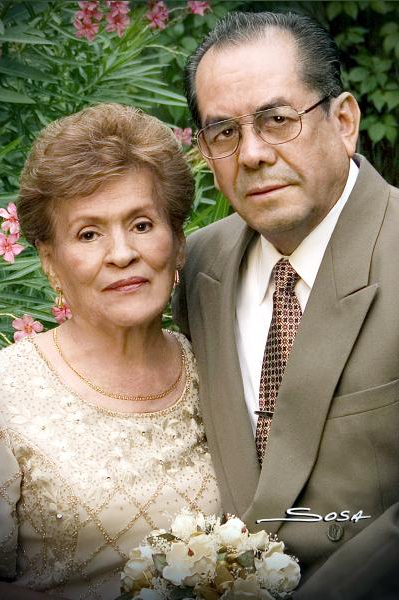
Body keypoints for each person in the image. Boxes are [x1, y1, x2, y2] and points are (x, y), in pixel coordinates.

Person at [172, 11, 399, 599]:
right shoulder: (196, 268)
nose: (250, 154)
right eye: (224, 132)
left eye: (277, 120)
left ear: (344, 120)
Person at [0, 103, 222, 600]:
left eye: (142, 225)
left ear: (179, 241)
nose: (122, 253)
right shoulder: (6, 392)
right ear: (50, 262)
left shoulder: (217, 368)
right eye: (89, 233)